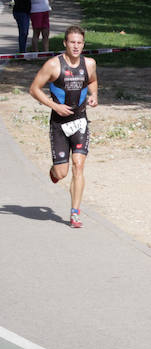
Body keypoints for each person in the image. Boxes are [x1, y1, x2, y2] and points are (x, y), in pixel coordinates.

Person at [28, 25, 98, 229]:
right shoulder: (53, 65)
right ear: (65, 43)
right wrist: (54, 106)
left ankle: (75, 213)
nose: (76, 46)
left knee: (79, 165)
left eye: (79, 42)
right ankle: (54, 172)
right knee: (61, 173)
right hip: (59, 124)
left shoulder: (90, 64)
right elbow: (34, 89)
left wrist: (94, 96)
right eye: (72, 42)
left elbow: (92, 81)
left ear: (83, 44)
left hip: (80, 122)